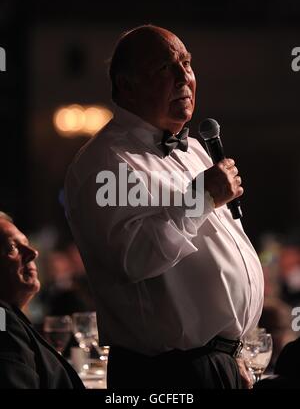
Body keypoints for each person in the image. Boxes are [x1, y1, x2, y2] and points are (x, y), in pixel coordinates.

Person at [64, 25, 264, 388]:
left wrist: (232, 356)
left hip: (218, 365)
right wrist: (202, 197)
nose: (183, 77)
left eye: (186, 64)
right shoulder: (106, 161)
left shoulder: (195, 150)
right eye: (165, 68)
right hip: (166, 374)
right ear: (126, 85)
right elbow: (134, 257)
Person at [0, 211, 85, 389]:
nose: (33, 253)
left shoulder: (10, 319)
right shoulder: (3, 323)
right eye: (13, 247)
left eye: (27, 244)